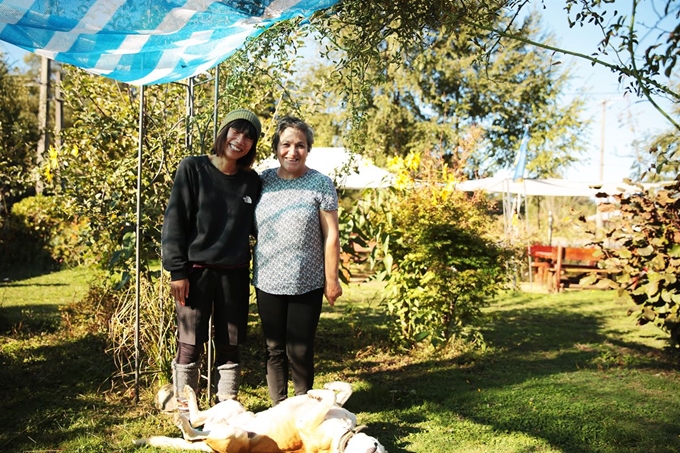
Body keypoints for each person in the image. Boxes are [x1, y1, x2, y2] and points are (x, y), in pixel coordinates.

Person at [161, 108, 262, 406]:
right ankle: (184, 408)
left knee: (230, 346)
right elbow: (174, 222)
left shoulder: (251, 182)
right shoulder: (192, 169)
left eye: (248, 137)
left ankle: (226, 408)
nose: (240, 140)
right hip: (195, 274)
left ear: (252, 145)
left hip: (234, 275)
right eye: (236, 131)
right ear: (223, 132)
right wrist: (177, 272)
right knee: (190, 344)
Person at [253, 115, 343, 406]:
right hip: (267, 280)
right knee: (274, 349)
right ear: (276, 147)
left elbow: (331, 235)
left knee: (300, 350)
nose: (293, 152)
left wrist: (332, 280)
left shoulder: (320, 183)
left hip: (308, 281)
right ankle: (279, 408)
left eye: (300, 145)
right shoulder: (262, 182)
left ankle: (303, 408)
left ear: (308, 149)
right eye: (286, 144)